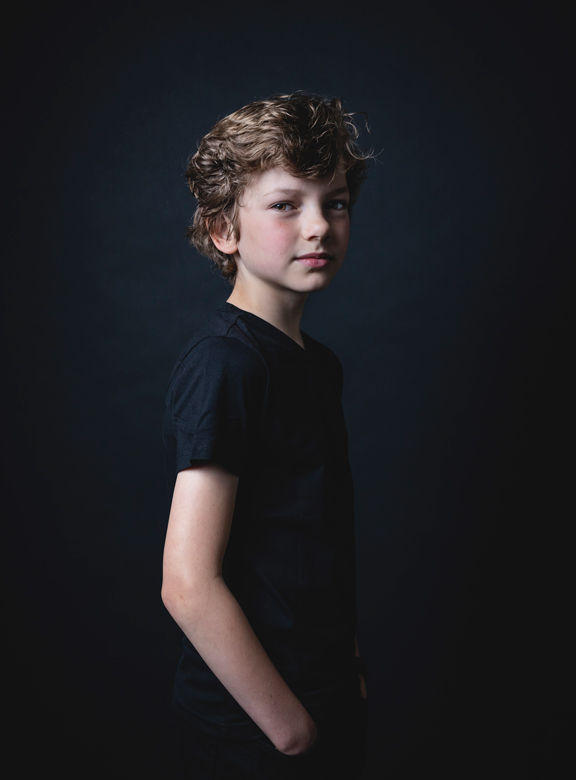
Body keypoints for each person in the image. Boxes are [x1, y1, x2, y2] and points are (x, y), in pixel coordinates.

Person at [161, 92, 373, 779]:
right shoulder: (226, 362)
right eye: (286, 204)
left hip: (325, 699)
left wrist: (347, 673)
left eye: (335, 203)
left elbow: (313, 542)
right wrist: (290, 730)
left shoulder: (317, 365)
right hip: (255, 729)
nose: (319, 226)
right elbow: (188, 582)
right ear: (225, 230)